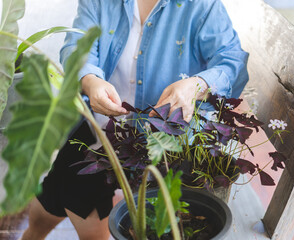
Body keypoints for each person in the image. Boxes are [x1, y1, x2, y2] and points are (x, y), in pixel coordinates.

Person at [21, 0, 248, 239]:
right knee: (62, 192)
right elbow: (76, 49)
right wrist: (89, 80)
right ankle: (33, 232)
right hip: (102, 130)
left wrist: (197, 85)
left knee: (150, 221)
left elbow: (232, 61)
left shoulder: (202, 5)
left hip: (167, 145)